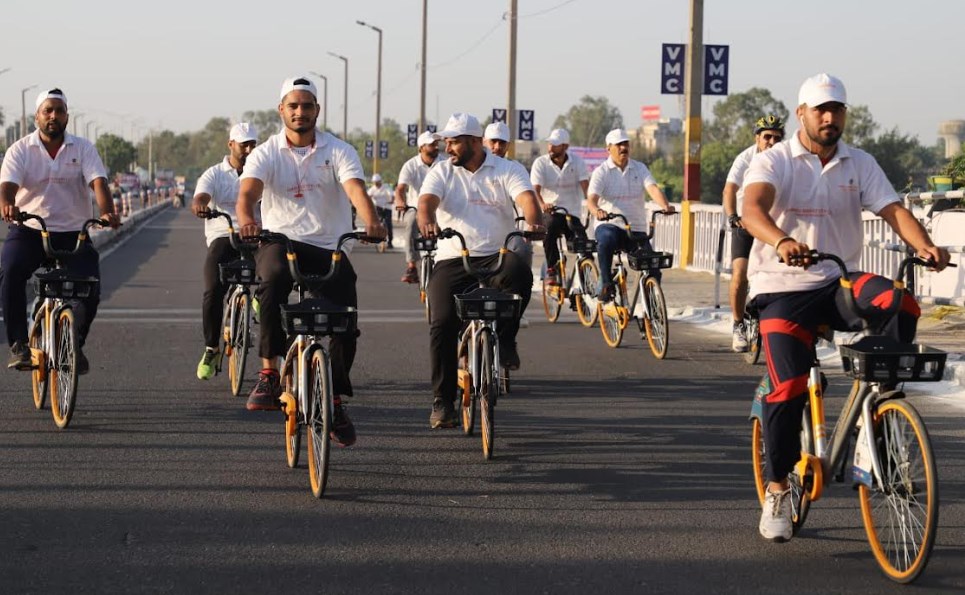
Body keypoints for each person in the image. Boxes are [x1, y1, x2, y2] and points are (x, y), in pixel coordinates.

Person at [742, 73, 951, 543]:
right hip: (782, 287)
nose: (829, 118)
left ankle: (881, 411)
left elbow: (893, 210)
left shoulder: (859, 162)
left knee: (899, 301)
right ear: (801, 113)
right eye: (820, 109)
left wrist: (924, 245)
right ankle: (778, 489)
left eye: (836, 109)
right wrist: (782, 240)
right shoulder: (775, 160)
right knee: (789, 385)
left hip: (838, 282)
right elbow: (753, 210)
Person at [235, 76, 385, 448]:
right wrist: (247, 220)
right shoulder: (266, 152)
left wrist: (372, 221)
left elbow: (355, 189)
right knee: (271, 278)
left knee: (345, 318)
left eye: (306, 106)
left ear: (317, 110)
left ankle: (335, 399)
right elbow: (248, 193)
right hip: (280, 242)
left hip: (328, 245)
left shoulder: (339, 150)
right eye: (293, 105)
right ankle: (269, 373)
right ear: (281, 110)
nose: (300, 112)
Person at [417, 113, 544, 429]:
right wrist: (427, 221)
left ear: (475, 142)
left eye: (454, 142)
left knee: (520, 275)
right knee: (441, 323)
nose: (448, 148)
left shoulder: (507, 169)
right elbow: (426, 202)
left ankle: (506, 339)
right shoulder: (442, 171)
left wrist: (534, 221)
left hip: (496, 256)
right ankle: (442, 402)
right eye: (447, 142)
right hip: (453, 258)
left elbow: (526, 198)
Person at [0, 88, 120, 373]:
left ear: (67, 116)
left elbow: (98, 182)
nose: (53, 116)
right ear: (37, 117)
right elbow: (8, 186)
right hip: (30, 229)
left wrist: (107, 212)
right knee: (10, 271)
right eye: (48, 111)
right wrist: (7, 204)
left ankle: (75, 344)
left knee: (91, 287)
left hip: (73, 233)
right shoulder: (20, 149)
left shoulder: (83, 148)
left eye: (59, 111)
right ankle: (19, 345)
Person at [191, 122, 259, 381]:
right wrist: (200, 206)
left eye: (253, 145)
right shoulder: (214, 174)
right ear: (231, 144)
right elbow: (201, 197)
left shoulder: (261, 171)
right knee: (212, 290)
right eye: (244, 145)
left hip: (254, 234)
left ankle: (257, 300)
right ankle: (212, 349)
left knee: (275, 275)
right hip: (224, 235)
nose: (249, 150)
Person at [586, 128, 675, 301]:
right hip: (610, 225)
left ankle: (652, 309)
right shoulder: (601, 172)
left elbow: (652, 189)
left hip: (636, 228)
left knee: (653, 267)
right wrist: (597, 211)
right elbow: (591, 200)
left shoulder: (639, 168)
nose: (623, 148)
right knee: (606, 241)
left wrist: (665, 205)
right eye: (619, 145)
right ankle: (606, 283)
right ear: (608, 148)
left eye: (626, 144)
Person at [722, 115, 785, 351]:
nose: (772, 142)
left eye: (777, 138)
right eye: (767, 137)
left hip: (772, 225)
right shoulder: (745, 158)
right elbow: (729, 189)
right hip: (745, 223)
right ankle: (738, 325)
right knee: (740, 274)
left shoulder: (786, 159)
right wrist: (732, 216)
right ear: (757, 138)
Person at [530, 128, 590, 286]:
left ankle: (585, 279)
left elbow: (586, 188)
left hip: (572, 213)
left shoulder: (577, 162)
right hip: (551, 212)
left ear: (565, 146)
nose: (550, 147)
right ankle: (552, 269)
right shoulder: (541, 163)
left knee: (585, 246)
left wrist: (593, 205)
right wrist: (543, 205)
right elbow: (535, 191)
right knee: (549, 230)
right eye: (549, 143)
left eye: (555, 144)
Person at [484, 121, 537, 270]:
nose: (497, 147)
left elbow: (526, 199)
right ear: (483, 142)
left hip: (509, 232)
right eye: (493, 141)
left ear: (508, 145)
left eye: (502, 143)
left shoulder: (515, 169)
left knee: (523, 249)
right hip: (476, 233)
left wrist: (533, 223)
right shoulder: (471, 167)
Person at [395, 131, 441, 283]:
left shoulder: (444, 163)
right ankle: (412, 266)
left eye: (436, 144)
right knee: (410, 224)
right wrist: (400, 202)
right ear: (421, 147)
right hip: (415, 209)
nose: (436, 147)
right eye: (432, 145)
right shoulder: (410, 165)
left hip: (440, 208)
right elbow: (400, 189)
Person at [367, 173, 394, 248]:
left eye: (377, 182)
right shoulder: (373, 189)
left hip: (387, 207)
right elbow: (368, 196)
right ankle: (377, 238)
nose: (376, 184)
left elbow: (391, 194)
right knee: (377, 222)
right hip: (377, 207)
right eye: (375, 182)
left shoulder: (386, 187)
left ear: (380, 181)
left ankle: (390, 241)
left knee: (388, 224)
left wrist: (392, 200)